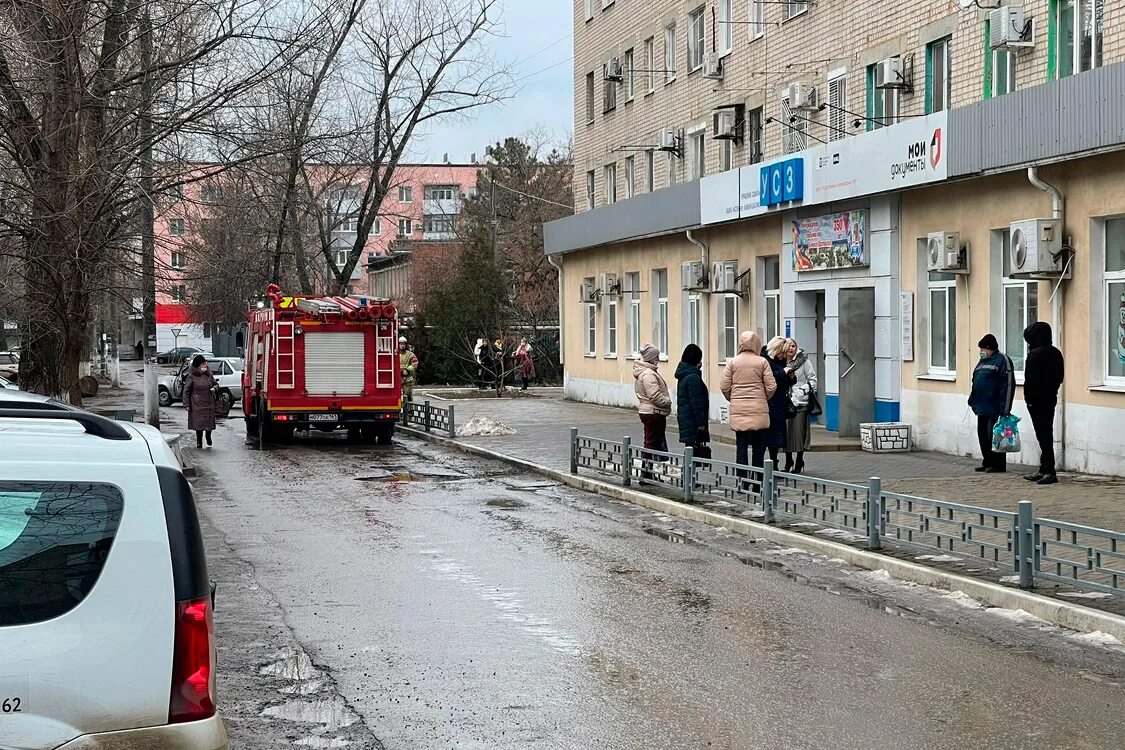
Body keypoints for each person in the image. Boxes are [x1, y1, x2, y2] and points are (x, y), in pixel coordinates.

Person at [720, 331, 776, 471]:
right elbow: (771, 386)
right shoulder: (762, 362)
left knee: (741, 446)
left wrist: (732, 398)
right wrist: (763, 398)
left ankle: (742, 482)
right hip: (758, 410)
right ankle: (758, 484)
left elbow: (724, 386)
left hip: (739, 411)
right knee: (758, 448)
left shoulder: (732, 362)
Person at [1022, 322, 1065, 485]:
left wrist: (1029, 399)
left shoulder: (1035, 355)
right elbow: (1059, 377)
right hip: (1050, 397)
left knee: (1043, 435)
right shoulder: (1055, 353)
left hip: (1037, 400)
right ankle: (1044, 468)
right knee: (1046, 433)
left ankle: (1049, 470)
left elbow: (1030, 380)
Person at [967, 333, 1016, 474]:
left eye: (983, 349)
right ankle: (987, 461)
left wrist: (1005, 408)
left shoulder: (1002, 360)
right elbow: (976, 380)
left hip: (995, 407)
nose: (981, 351)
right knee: (983, 435)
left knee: (995, 437)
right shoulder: (982, 362)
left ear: (990, 348)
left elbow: (1007, 385)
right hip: (981, 406)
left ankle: (998, 465)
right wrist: (972, 399)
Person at [784, 337, 818, 474]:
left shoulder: (804, 362)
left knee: (799, 432)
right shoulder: (781, 362)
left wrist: (802, 390)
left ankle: (799, 460)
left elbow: (813, 380)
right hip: (786, 402)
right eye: (788, 346)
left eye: (793, 346)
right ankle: (788, 460)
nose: (791, 348)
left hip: (800, 402)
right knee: (786, 433)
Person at [763, 337, 795, 468]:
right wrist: (783, 372)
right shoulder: (765, 360)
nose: (784, 356)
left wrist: (791, 377)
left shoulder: (780, 360)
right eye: (782, 352)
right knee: (771, 434)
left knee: (778, 434)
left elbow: (786, 380)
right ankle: (772, 464)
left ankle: (775, 461)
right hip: (770, 401)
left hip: (780, 401)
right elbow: (771, 378)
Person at [633, 343, 671, 453]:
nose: (658, 359)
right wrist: (667, 402)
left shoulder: (646, 372)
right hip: (653, 412)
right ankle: (647, 468)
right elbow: (654, 395)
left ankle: (651, 466)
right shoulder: (648, 374)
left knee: (652, 442)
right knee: (652, 443)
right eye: (656, 357)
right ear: (651, 359)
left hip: (649, 411)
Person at [675, 344, 710, 453]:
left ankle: (688, 469)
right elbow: (697, 403)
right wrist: (701, 424)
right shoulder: (693, 377)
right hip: (693, 421)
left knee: (690, 449)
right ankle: (689, 469)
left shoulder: (684, 375)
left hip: (686, 419)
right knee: (694, 452)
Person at [184, 354, 217, 449]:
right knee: (199, 425)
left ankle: (208, 436)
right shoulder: (191, 376)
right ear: (198, 365)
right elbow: (186, 390)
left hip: (209, 402)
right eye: (203, 364)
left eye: (205, 363)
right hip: (197, 404)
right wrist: (186, 404)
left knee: (209, 423)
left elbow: (215, 384)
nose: (205, 365)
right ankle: (199, 441)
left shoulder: (209, 374)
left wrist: (214, 388)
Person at [398, 336, 419, 402]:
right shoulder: (395, 354)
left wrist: (408, 370)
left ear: (406, 345)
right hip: (397, 379)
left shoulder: (410, 354)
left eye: (404, 344)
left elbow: (415, 363)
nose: (402, 346)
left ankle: (409, 411)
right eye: (401, 344)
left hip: (407, 380)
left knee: (407, 396)